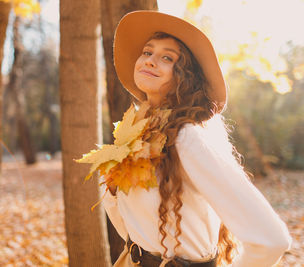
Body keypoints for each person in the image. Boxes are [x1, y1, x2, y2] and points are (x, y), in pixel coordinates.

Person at [101, 11, 292, 267]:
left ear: (185, 76)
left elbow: (272, 239)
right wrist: (113, 190)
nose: (150, 61)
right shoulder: (136, 132)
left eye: (167, 58)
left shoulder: (186, 137)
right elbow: (134, 225)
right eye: (147, 52)